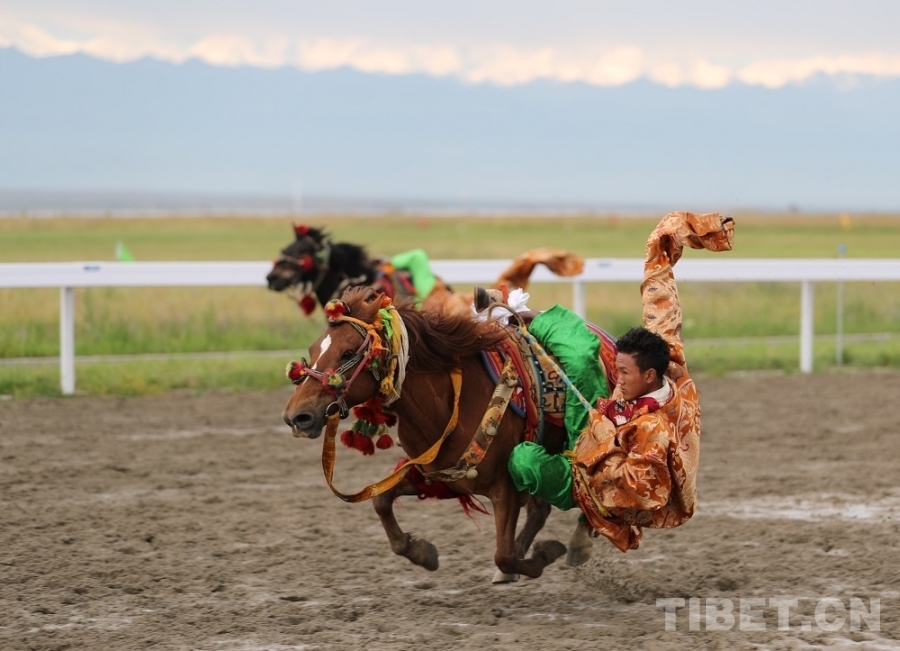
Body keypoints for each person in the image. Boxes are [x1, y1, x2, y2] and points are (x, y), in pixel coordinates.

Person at [508, 210, 735, 552]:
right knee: (581, 353)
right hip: (598, 429)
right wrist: (673, 236)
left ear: (648, 376)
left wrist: (601, 442)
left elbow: (642, 494)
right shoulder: (664, 356)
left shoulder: (654, 431)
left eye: (624, 373)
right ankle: (521, 314)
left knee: (522, 460)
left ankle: (586, 521)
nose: (618, 378)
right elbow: (660, 295)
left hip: (598, 487)